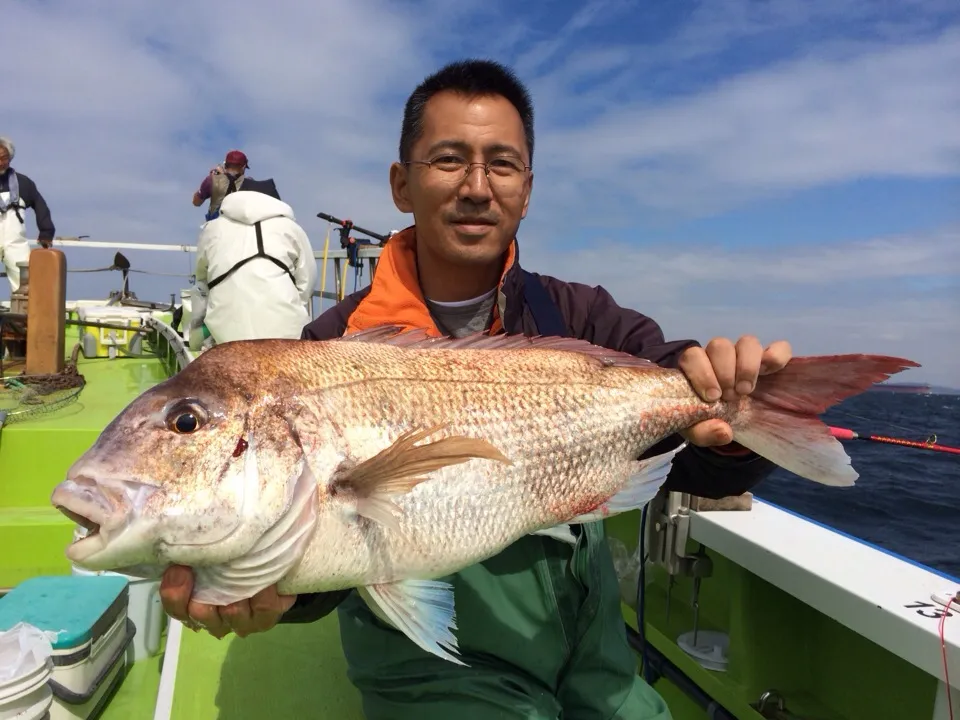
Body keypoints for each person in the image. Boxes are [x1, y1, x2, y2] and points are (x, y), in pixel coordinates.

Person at [161, 60, 789, 718]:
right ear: (402, 184)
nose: (477, 188)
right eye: (449, 160)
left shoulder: (581, 320)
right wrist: (274, 591)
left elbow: (697, 466)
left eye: (503, 165)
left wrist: (740, 415)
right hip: (438, 676)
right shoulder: (329, 349)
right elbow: (330, 542)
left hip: (599, 657)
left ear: (527, 190)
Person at [189, 188, 317, 349]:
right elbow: (307, 281)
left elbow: (202, 279)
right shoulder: (292, 228)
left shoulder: (211, 228)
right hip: (286, 333)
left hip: (226, 336)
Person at [0, 137, 55, 294]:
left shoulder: (24, 183)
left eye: (4, 158)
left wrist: (46, 233)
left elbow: (40, 206)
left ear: (10, 158)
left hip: (15, 243)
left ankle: (25, 317)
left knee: (27, 284)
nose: (0, 163)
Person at [192, 150, 281, 222]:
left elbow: (196, 202)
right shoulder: (251, 183)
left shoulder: (211, 180)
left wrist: (212, 179)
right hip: (241, 229)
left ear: (225, 164)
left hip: (216, 229)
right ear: (243, 167)